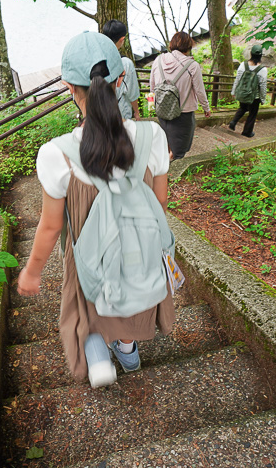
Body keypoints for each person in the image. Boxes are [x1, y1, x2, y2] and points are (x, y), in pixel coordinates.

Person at [17, 32, 175, 387]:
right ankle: (129, 349)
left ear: (70, 88)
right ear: (121, 81)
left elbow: (50, 226)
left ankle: (98, 352)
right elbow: (161, 202)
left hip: (88, 250)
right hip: (141, 242)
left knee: (88, 295)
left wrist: (32, 271)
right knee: (131, 286)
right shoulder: (154, 137)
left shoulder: (56, 154)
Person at [148, 32, 210, 159]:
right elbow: (199, 90)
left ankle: (164, 163)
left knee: (167, 141)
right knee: (180, 149)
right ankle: (171, 172)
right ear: (189, 46)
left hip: (162, 108)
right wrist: (206, 108)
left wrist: (154, 103)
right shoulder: (192, 66)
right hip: (183, 113)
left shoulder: (158, 60)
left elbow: (152, 86)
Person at [100, 19, 141, 120]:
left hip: (99, 114)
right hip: (120, 115)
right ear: (122, 39)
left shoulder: (96, 58)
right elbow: (132, 92)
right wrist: (136, 112)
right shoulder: (126, 63)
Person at [229, 43, 269, 138]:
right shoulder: (262, 69)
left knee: (242, 108)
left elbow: (237, 79)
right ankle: (246, 132)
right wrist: (263, 99)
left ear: (251, 53)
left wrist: (233, 91)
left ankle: (233, 121)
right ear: (260, 55)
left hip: (243, 93)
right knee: (252, 114)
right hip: (254, 97)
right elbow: (263, 85)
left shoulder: (243, 65)